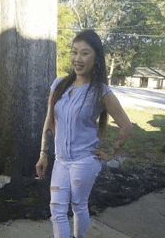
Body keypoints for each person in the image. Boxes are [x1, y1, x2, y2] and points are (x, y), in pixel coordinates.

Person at [35, 29, 132, 238]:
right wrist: (43, 153)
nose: (77, 59)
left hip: (84, 161)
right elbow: (49, 121)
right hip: (61, 160)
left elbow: (126, 125)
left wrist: (112, 152)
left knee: (79, 206)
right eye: (74, 52)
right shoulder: (59, 84)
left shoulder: (101, 91)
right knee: (57, 210)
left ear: (96, 58)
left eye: (85, 53)